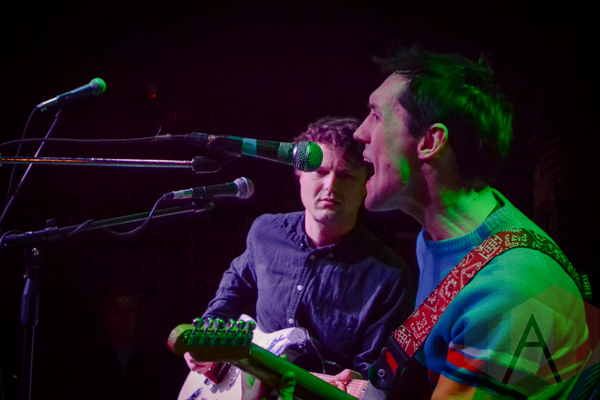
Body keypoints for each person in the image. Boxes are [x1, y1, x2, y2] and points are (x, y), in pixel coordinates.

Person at [349, 46, 591, 399]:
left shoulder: (509, 289)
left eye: (376, 116)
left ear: (429, 142)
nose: (360, 132)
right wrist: (356, 389)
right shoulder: (444, 238)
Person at [184, 117, 418, 391]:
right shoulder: (265, 232)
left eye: (345, 175)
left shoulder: (388, 277)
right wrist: (209, 332)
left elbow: (374, 374)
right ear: (299, 173)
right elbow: (234, 285)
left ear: (366, 183)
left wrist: (358, 380)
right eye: (320, 172)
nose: (330, 186)